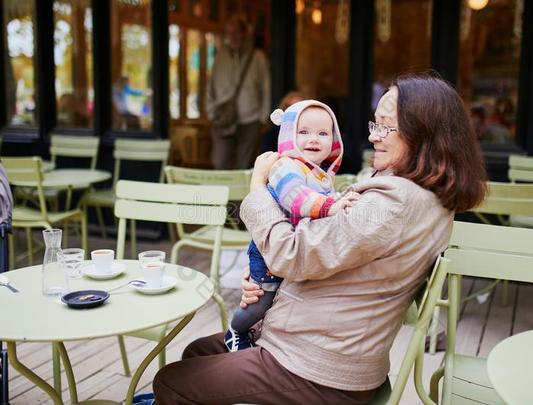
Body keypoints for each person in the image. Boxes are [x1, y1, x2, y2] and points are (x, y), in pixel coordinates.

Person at [153, 73, 487, 404]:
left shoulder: (395, 201)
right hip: (321, 343)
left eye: (387, 127)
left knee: (171, 381)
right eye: (375, 125)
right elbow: (325, 253)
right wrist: (266, 274)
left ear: (425, 135)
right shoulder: (425, 195)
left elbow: (292, 252)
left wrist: (257, 188)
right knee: (197, 352)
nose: (375, 138)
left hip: (318, 367)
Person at [224, 100, 360, 351]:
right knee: (260, 301)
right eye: (304, 132)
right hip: (268, 250)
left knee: (279, 298)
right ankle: (236, 330)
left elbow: (322, 207)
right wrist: (334, 205)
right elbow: (297, 200)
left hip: (293, 246)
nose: (314, 139)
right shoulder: (285, 167)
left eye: (323, 133)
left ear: (334, 139)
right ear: (288, 135)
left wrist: (338, 200)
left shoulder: (322, 175)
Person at [206, 15, 271, 170]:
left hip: (250, 119)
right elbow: (210, 86)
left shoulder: (258, 57)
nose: (233, 36)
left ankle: (240, 195)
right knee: (220, 163)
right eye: (229, 32)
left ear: (244, 33)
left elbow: (266, 88)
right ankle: (221, 194)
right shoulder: (220, 56)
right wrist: (211, 112)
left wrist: (263, 117)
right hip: (223, 118)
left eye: (236, 32)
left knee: (245, 165)